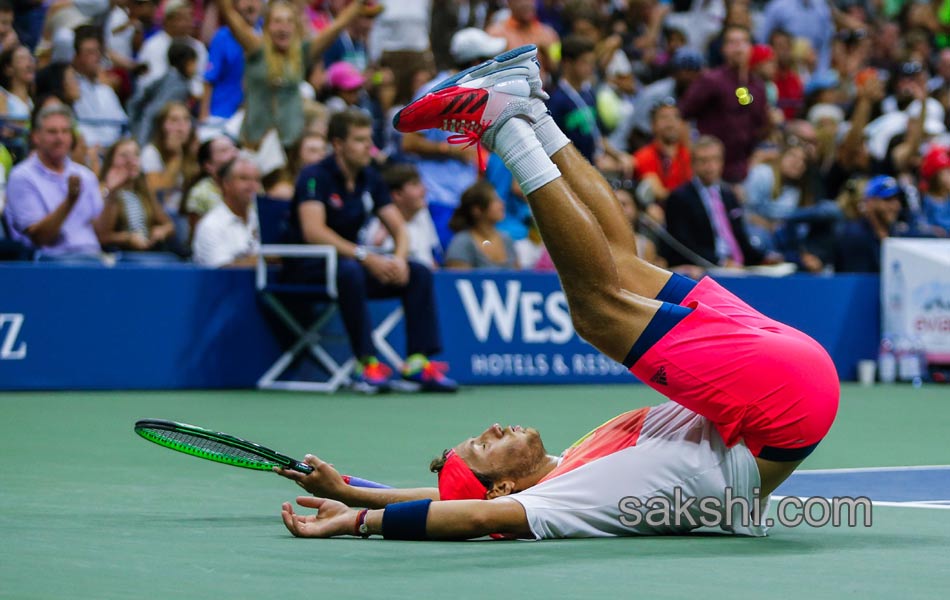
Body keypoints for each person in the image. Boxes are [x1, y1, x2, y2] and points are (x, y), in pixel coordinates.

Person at [276, 45, 840, 541]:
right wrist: (358, 523)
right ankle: (502, 125)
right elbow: (472, 517)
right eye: (482, 446)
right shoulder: (565, 497)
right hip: (781, 405)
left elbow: (463, 503)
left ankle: (532, 109)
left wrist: (355, 492)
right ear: (503, 488)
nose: (490, 429)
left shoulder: (570, 462)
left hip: (783, 386)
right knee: (596, 314)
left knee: (616, 267)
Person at [284, 108, 457, 393]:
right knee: (350, 270)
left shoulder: (371, 178)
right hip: (307, 267)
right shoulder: (314, 176)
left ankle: (416, 361)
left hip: (349, 265)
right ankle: (365, 363)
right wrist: (366, 256)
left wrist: (400, 259)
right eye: (360, 140)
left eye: (369, 139)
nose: (369, 147)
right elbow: (313, 232)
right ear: (338, 144)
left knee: (418, 272)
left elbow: (399, 229)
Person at [4, 104, 105, 260]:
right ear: (36, 136)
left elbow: (101, 232)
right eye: (52, 132)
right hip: (49, 261)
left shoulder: (85, 176)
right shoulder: (22, 177)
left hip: (94, 257)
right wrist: (70, 201)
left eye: (65, 132)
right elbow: (41, 238)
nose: (60, 138)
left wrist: (113, 191)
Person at [663, 136, 766, 269]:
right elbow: (684, 246)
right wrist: (721, 262)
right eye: (703, 161)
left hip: (739, 267)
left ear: (722, 162)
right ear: (693, 164)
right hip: (705, 269)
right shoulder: (680, 198)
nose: (710, 166)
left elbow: (741, 239)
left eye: (714, 160)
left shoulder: (729, 196)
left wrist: (764, 259)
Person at [95, 137, 176, 255]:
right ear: (111, 161)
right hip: (117, 255)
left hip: (147, 253)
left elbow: (169, 225)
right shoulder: (102, 191)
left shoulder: (143, 190)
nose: (131, 161)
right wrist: (127, 238)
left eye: (136, 155)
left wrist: (161, 231)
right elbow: (101, 236)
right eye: (124, 156)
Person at [191, 154, 261, 267]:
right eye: (244, 178)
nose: (252, 185)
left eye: (256, 180)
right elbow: (222, 270)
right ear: (226, 184)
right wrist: (263, 260)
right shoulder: (211, 225)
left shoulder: (261, 220)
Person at [444, 180, 519, 270]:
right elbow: (456, 281)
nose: (502, 203)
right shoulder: (461, 243)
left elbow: (520, 277)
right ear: (477, 210)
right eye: (494, 200)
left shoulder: (507, 239)